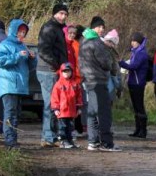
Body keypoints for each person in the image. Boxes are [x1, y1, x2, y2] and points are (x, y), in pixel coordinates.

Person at [80, 16, 121, 152]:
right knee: (103, 112)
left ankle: (93, 141)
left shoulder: (84, 41)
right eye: (99, 27)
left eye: (103, 27)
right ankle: (106, 143)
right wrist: (109, 64)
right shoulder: (97, 43)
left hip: (88, 81)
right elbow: (106, 63)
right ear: (93, 27)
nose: (102, 30)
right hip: (98, 80)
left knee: (91, 112)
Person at [0, 19, 37, 150]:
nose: (22, 34)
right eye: (20, 31)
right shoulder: (4, 44)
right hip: (8, 85)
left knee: (17, 114)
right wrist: (17, 56)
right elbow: (0, 62)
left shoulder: (23, 46)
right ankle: (9, 141)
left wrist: (32, 58)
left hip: (20, 86)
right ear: (14, 31)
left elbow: (29, 67)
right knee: (10, 113)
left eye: (24, 32)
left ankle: (13, 140)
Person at [37, 3, 69, 148]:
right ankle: (48, 137)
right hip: (48, 70)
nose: (63, 16)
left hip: (55, 70)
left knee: (55, 104)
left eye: (65, 14)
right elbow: (43, 50)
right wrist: (57, 65)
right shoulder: (49, 28)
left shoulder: (61, 28)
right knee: (51, 104)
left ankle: (51, 136)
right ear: (55, 14)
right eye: (61, 13)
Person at [119, 32, 149, 138]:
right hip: (133, 82)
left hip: (138, 82)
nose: (132, 43)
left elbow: (134, 66)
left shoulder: (141, 53)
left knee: (139, 106)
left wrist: (121, 63)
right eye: (132, 41)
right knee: (136, 107)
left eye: (134, 41)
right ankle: (138, 129)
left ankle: (143, 130)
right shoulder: (136, 52)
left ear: (139, 42)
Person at [50, 62, 83, 149]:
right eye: (64, 71)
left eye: (68, 71)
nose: (66, 73)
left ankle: (70, 141)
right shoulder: (58, 84)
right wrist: (56, 109)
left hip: (71, 111)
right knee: (62, 127)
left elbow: (79, 97)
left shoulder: (75, 84)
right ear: (61, 72)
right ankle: (63, 141)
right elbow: (54, 98)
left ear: (72, 72)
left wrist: (79, 107)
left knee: (70, 127)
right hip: (62, 111)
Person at [63, 24, 84, 136]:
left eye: (73, 33)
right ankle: (69, 129)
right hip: (67, 77)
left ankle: (74, 128)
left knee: (75, 103)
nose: (71, 35)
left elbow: (78, 62)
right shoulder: (65, 45)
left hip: (76, 77)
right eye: (70, 33)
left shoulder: (75, 45)